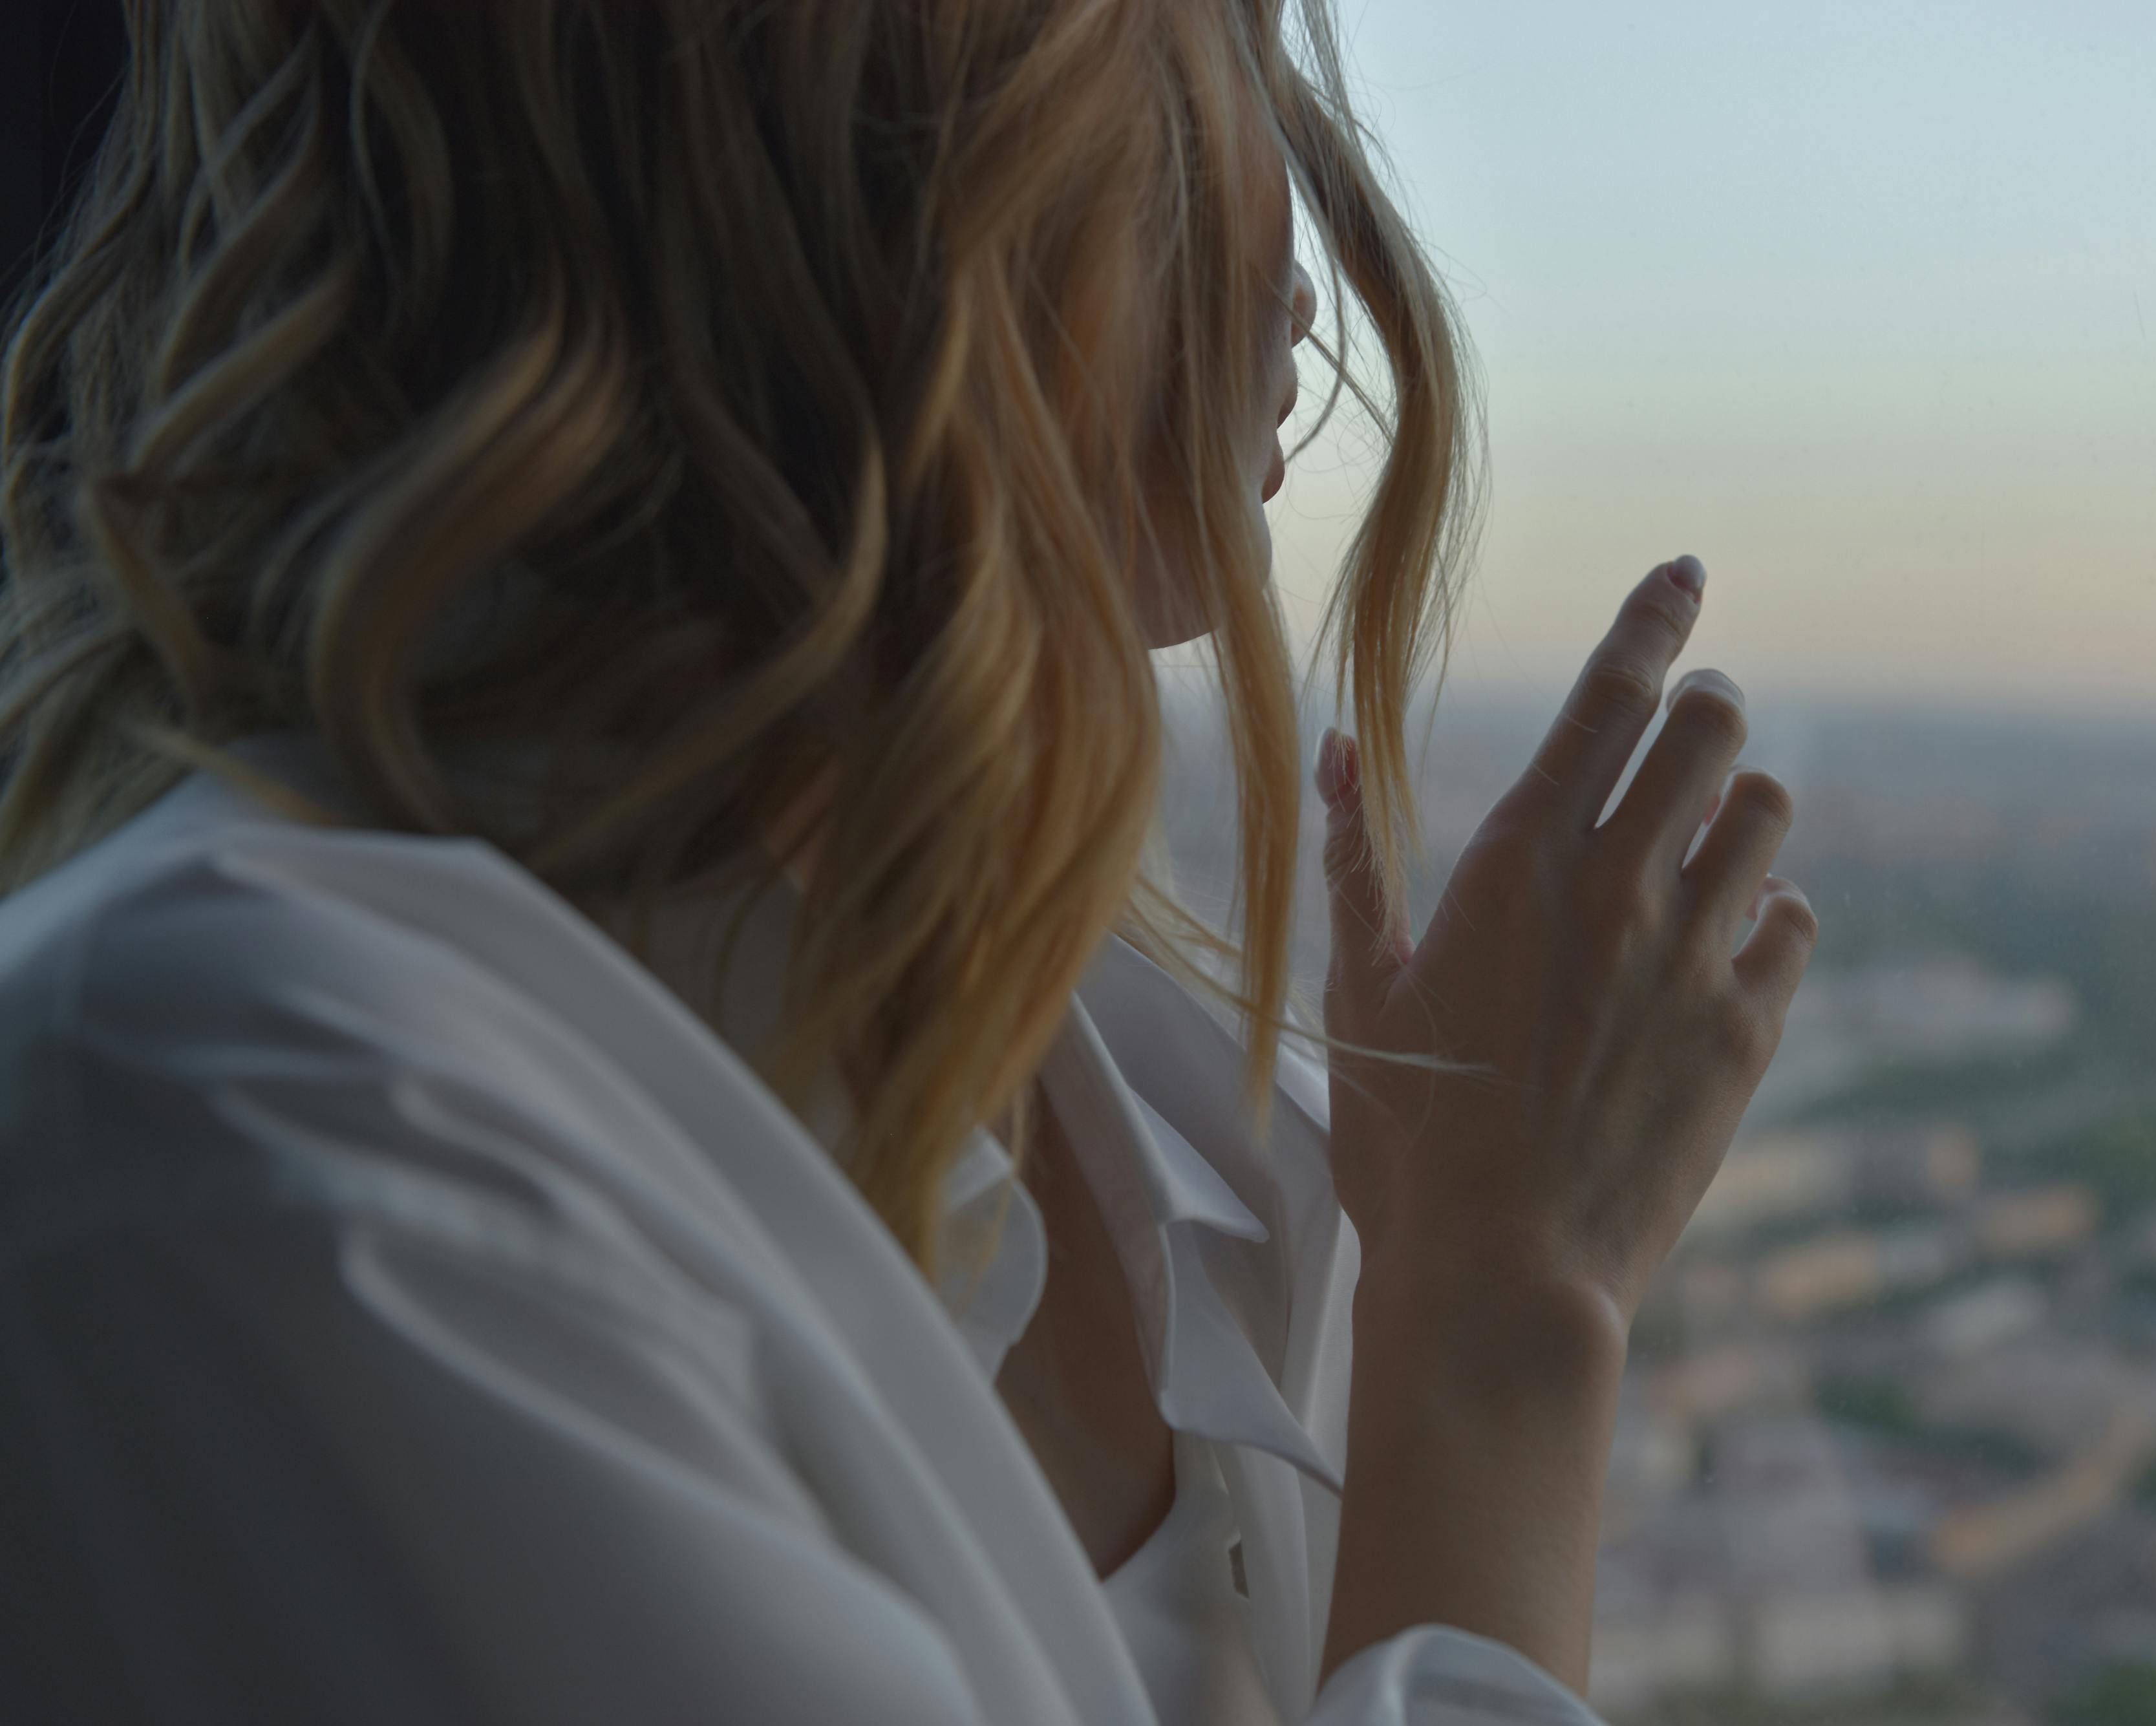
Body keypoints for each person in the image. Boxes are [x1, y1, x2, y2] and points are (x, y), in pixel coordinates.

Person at [0, 3, 1816, 1722]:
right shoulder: (256, 1124)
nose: (1322, 251)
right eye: (1225, 45)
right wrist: (1505, 1338)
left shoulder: (1163, 1096)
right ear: (890, 108)